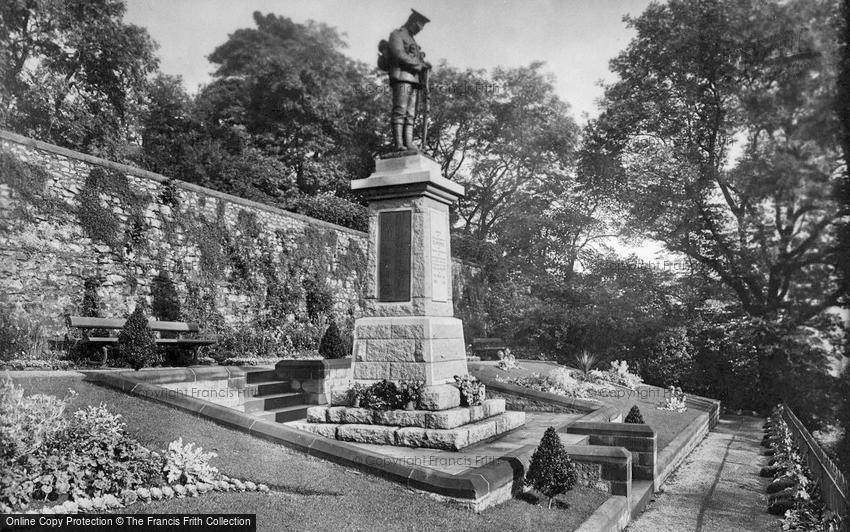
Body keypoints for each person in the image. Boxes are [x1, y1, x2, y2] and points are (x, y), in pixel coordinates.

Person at [385, 9, 431, 151]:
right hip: (402, 77)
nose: (419, 30)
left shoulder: (412, 40)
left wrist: (424, 64)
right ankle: (399, 143)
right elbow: (398, 54)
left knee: (411, 114)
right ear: (412, 21)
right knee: (400, 111)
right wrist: (419, 64)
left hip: (415, 80)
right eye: (418, 27)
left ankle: (409, 142)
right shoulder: (397, 35)